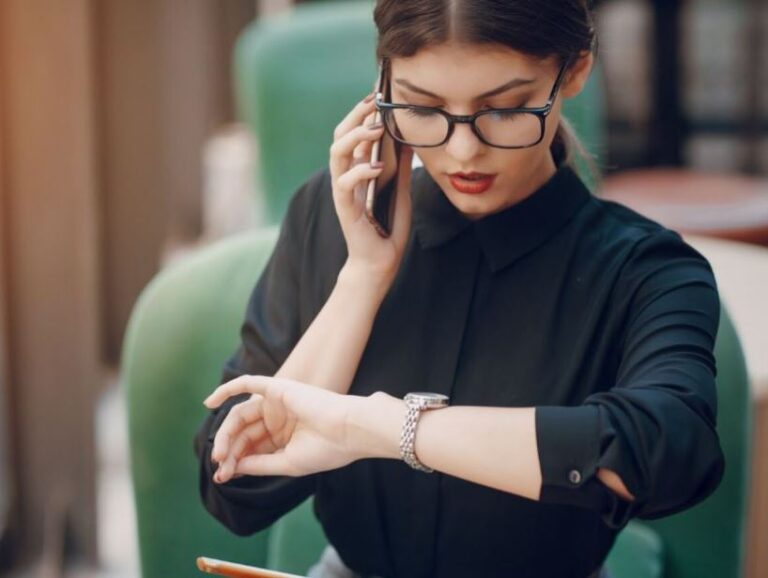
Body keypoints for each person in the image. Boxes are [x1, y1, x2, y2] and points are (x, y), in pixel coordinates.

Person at [194, 1, 725, 577]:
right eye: (421, 107)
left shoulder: (646, 269)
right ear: (382, 85)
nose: (462, 151)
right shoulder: (329, 219)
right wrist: (362, 280)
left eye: (505, 109)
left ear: (573, 71)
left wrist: (375, 428)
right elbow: (236, 491)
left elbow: (665, 453)